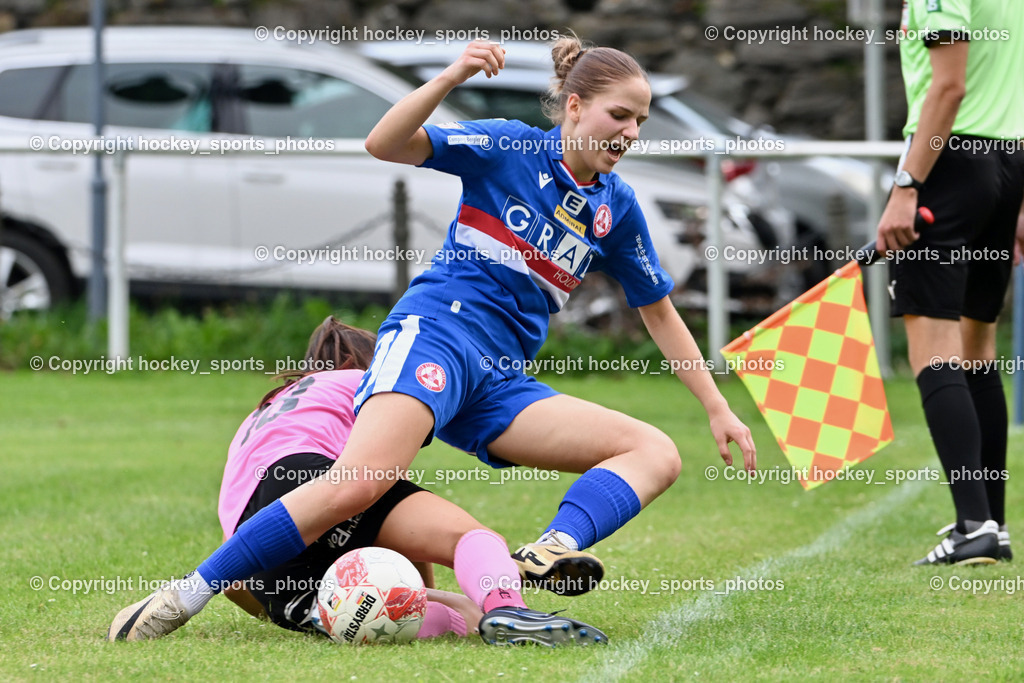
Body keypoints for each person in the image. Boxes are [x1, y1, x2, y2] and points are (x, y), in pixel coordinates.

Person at [109, 34, 756, 642]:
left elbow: (661, 313)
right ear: (576, 105)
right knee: (357, 482)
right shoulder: (509, 146)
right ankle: (184, 595)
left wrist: (717, 405)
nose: (631, 133)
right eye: (621, 115)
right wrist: (451, 76)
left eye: (641, 121)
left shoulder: (617, 209)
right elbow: (384, 143)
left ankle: (547, 551)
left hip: (499, 382)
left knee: (654, 451)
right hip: (436, 336)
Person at [111, 316, 606, 646]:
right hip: (321, 479)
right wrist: (427, 582)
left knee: (371, 614)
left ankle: (343, 614)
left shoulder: (261, 413)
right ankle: (507, 600)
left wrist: (284, 608)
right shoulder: (372, 388)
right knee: (472, 541)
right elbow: (393, 502)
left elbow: (241, 573)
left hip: (259, 537)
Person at [875, 1, 1024, 565]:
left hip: (949, 164)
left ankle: (973, 524)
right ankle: (993, 524)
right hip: (1008, 160)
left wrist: (908, 184)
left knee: (934, 348)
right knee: (975, 348)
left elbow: (949, 88)